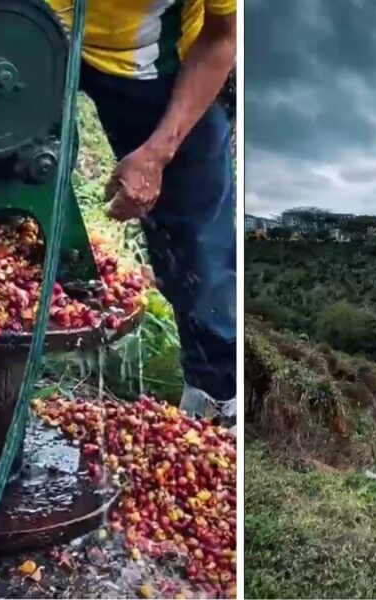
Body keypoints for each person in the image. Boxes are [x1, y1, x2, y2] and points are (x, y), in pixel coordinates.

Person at [51, 0, 237, 419]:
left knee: (198, 246)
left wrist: (157, 154)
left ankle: (217, 398)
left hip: (155, 65)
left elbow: (222, 35)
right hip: (38, 35)